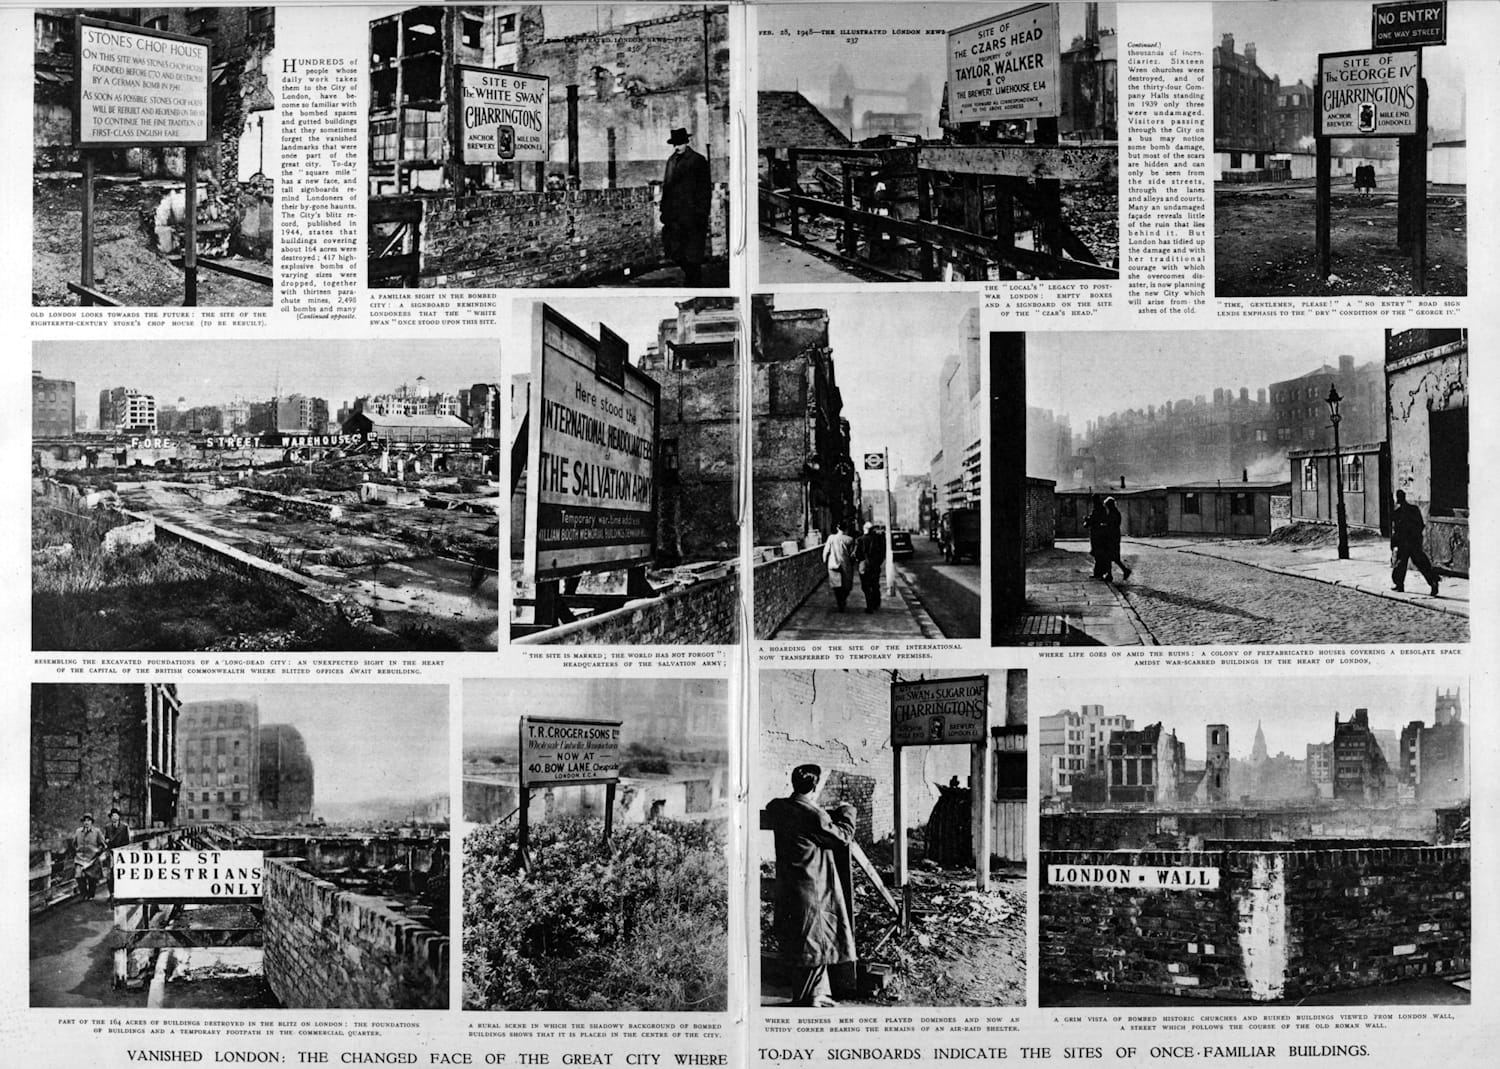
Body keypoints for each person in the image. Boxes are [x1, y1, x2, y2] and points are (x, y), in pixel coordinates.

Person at [764, 764, 857, 1008]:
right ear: (815, 787)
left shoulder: (779, 807)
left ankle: (815, 994)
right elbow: (843, 837)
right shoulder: (814, 815)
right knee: (815, 941)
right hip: (812, 887)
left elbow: (775, 806)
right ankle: (808, 999)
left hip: (790, 887)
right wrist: (847, 811)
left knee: (804, 940)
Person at [660, 127, 712, 286]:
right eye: (674, 144)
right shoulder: (671, 161)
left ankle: (694, 282)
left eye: (680, 143)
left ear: (686, 142)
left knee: (692, 253)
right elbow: (667, 187)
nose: (677, 147)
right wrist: (664, 210)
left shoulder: (698, 160)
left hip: (692, 216)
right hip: (674, 217)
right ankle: (691, 276)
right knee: (675, 251)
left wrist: (701, 213)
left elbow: (704, 190)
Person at [1391, 489, 1440, 596]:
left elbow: (1396, 531)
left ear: (1397, 499)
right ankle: (1433, 581)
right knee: (1421, 563)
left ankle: (1399, 585)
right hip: (1414, 542)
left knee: (1400, 564)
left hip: (1404, 542)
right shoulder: (1414, 509)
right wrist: (1417, 537)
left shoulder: (1397, 512)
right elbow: (1421, 525)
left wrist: (1394, 544)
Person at [72, 812, 107, 902]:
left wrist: (98, 851)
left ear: (91, 822)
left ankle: (91, 894)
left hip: (92, 858)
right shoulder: (78, 831)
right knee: (79, 876)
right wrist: (77, 851)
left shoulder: (97, 831)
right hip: (80, 858)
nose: (86, 822)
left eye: (88, 820)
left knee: (92, 878)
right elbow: (74, 843)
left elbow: (103, 845)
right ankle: (83, 894)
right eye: (85, 821)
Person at [822, 523, 856, 611]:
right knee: (846, 585)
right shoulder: (850, 539)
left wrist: (825, 562)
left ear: (837, 528)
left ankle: (840, 602)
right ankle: (843, 600)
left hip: (833, 565)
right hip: (846, 565)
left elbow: (826, 552)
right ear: (846, 529)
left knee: (836, 586)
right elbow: (852, 555)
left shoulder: (831, 538)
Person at [854, 522, 886, 613]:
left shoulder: (860, 540)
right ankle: (876, 603)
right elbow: (882, 553)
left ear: (864, 529)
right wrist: (878, 562)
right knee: (875, 584)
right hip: (875, 565)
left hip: (864, 565)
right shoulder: (877, 539)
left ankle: (869, 606)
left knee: (866, 586)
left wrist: (860, 561)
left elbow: (856, 554)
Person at [102, 807, 131, 901]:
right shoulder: (107, 827)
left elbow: (127, 841)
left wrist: (124, 852)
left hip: (120, 854)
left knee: (120, 873)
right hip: (110, 853)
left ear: (118, 817)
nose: (114, 817)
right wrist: (107, 841)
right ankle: (111, 894)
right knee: (109, 875)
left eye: (115, 815)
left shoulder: (124, 827)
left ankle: (121, 893)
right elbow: (105, 838)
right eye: (112, 816)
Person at [1083, 494, 1111, 579]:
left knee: (1098, 553)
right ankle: (1099, 572)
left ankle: (1099, 572)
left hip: (1097, 534)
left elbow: (1094, 520)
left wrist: (1087, 520)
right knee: (1098, 553)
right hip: (1098, 533)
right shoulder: (1100, 508)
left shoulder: (1098, 509)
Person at [1104, 497, 1132, 581]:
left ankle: (1110, 575)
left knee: (1109, 556)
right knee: (1114, 557)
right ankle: (1124, 570)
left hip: (1112, 537)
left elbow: (1111, 525)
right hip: (1115, 536)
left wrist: (1104, 526)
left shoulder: (1113, 513)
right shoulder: (1115, 512)